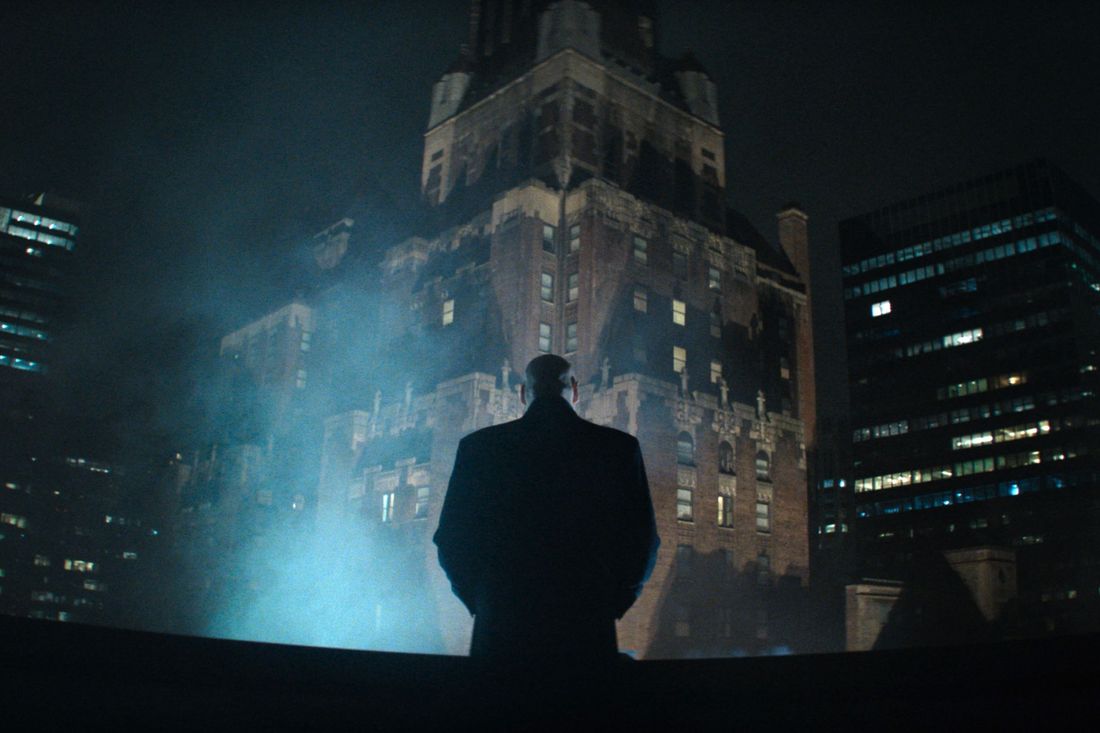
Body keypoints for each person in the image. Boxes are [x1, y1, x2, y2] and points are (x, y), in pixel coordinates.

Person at [433, 354, 660, 665]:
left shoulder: (479, 448)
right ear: (575, 390)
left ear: (523, 393)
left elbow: (451, 539)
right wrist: (610, 605)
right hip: (585, 626)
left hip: (501, 629)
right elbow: (643, 541)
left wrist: (483, 602)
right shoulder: (618, 449)